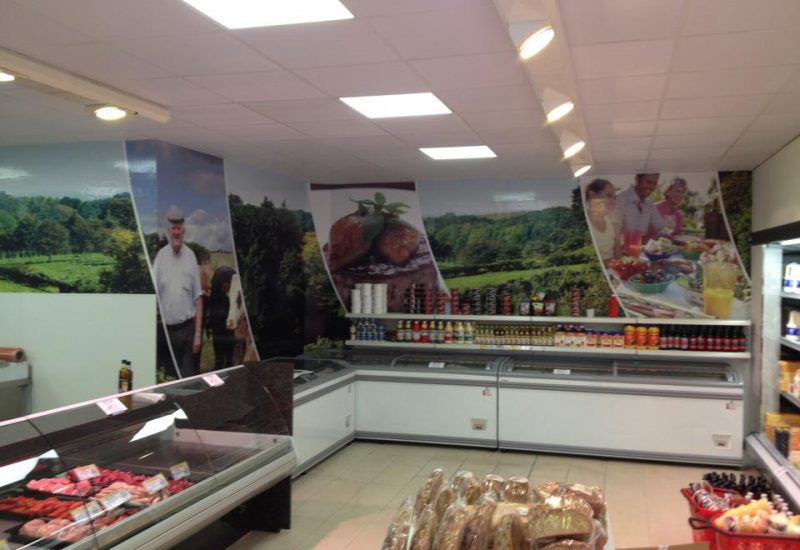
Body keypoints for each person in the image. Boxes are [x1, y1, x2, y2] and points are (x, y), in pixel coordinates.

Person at [153, 206, 203, 378]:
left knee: (188, 379)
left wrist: (198, 334)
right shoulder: (160, 258)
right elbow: (153, 294)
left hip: (187, 331)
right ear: (169, 231)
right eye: (173, 228)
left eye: (179, 228)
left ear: (183, 231)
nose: (176, 232)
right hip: (166, 332)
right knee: (169, 379)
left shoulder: (191, 257)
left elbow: (198, 299)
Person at [585, 178, 621, 263]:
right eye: (609, 196)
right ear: (593, 195)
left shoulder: (613, 224)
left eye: (614, 198)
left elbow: (618, 256)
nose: (613, 201)